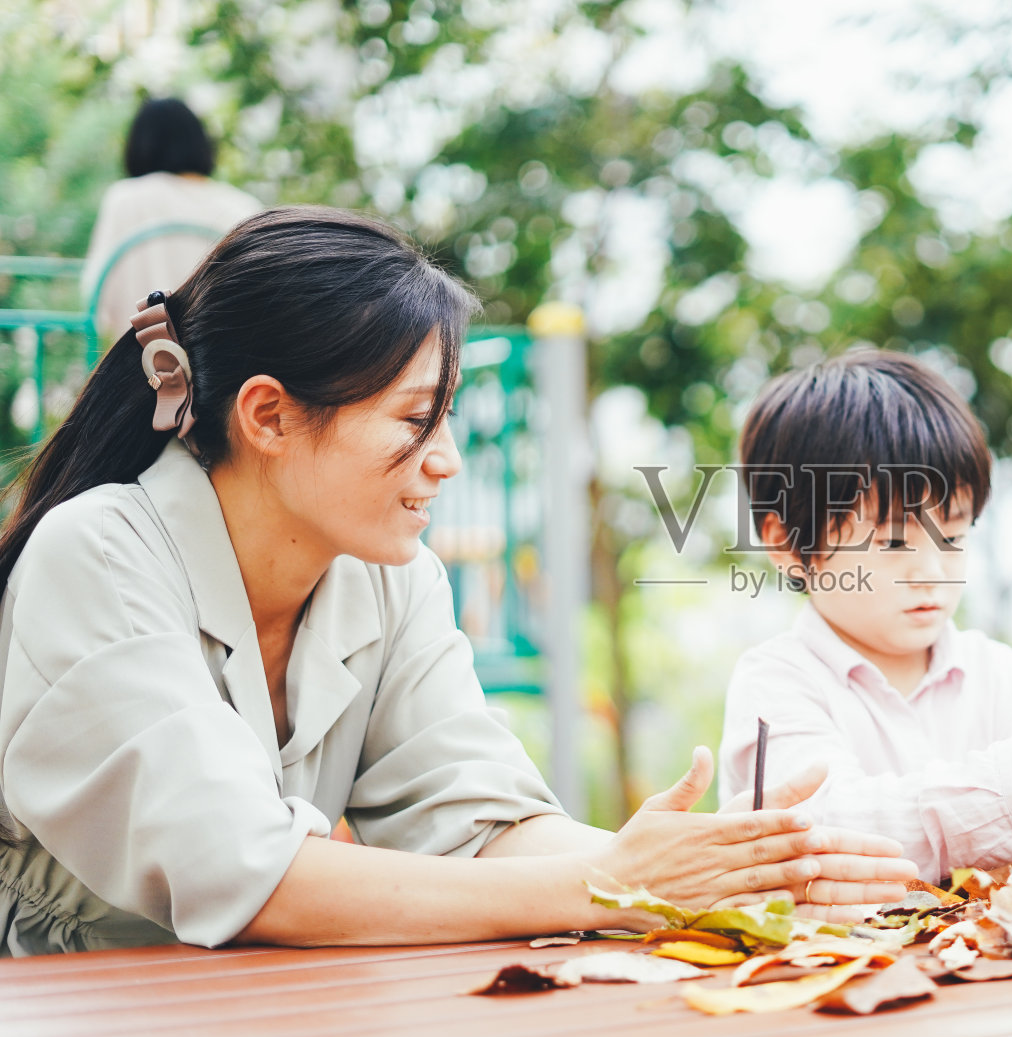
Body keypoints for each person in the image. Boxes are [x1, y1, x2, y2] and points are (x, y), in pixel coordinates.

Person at [0, 206, 915, 957]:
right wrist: (620, 884)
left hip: (257, 1003)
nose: (445, 462)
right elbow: (252, 872)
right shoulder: (98, 555)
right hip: (72, 1007)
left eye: (446, 419)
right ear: (268, 415)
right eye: (413, 418)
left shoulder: (391, 577)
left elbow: (478, 819)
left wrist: (712, 871)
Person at [718, 351, 1012, 885]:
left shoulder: (1002, 675)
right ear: (788, 545)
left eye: (952, 535)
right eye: (892, 540)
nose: (931, 571)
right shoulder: (775, 683)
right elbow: (821, 831)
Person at [80, 98, 262, 345]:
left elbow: (97, 294)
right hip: (220, 370)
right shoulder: (241, 206)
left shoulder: (125, 199)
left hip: (141, 364)